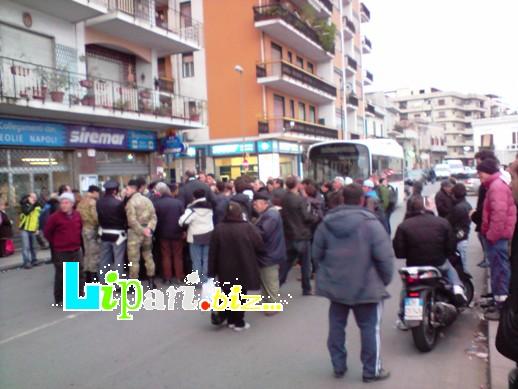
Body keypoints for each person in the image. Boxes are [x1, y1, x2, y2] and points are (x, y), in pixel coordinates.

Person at [312, 184, 394, 382]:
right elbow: (384, 258)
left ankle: (338, 366)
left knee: (336, 326)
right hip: (367, 286)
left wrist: (330, 272)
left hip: (336, 285)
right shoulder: (371, 223)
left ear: (342, 199)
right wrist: (384, 280)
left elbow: (316, 255)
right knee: (369, 328)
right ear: (362, 200)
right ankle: (370, 370)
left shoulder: (327, 222)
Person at [393, 195, 467, 311]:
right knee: (450, 269)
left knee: (407, 287)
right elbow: (450, 247)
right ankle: (457, 288)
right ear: (426, 206)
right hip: (438, 263)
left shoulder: (403, 226)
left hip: (414, 266)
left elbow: (399, 252)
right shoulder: (442, 223)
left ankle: (402, 313)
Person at [208, 201, 264, 331]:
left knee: (227, 293)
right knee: (240, 294)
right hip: (243, 266)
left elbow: (212, 252)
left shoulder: (219, 228)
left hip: (224, 268)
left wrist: (211, 271)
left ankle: (230, 320)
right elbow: (259, 244)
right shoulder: (247, 227)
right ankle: (238, 322)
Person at [477, 158, 517, 320]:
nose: (478, 176)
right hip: (497, 236)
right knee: (498, 269)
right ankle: (498, 300)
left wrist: (492, 236)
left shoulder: (496, 188)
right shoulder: (495, 186)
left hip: (498, 237)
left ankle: (501, 307)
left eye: (480, 173)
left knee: (500, 270)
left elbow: (499, 215)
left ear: (487, 172)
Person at [279, 176, 318, 295]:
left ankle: (276, 285)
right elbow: (306, 217)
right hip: (302, 234)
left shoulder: (284, 198)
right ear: (297, 185)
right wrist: (314, 217)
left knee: (287, 263)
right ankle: (306, 289)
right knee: (305, 264)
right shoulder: (300, 200)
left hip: (289, 234)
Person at [43, 192, 83, 306]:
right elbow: (47, 232)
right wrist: (56, 242)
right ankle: (59, 298)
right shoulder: (55, 217)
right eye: (62, 203)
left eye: (66, 203)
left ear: (72, 204)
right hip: (61, 250)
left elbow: (80, 228)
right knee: (62, 274)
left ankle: (78, 295)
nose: (64, 205)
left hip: (75, 248)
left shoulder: (77, 215)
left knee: (78, 272)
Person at [253, 192, 286, 312]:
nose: (254, 206)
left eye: (256, 203)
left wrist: (251, 229)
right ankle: (268, 302)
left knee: (270, 280)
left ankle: (273, 305)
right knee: (266, 280)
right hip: (270, 252)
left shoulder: (270, 215)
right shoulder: (269, 213)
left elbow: (263, 233)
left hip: (270, 253)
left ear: (264, 203)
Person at [125, 178, 158, 288]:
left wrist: (141, 230)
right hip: (147, 233)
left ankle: (133, 284)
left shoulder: (131, 202)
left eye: (127, 189)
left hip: (135, 234)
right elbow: (153, 217)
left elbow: (131, 220)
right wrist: (149, 229)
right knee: (148, 256)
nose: (126, 191)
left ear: (133, 189)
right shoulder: (147, 200)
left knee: (134, 260)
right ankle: (151, 282)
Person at [179, 188, 214, 283]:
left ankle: (197, 280)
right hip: (209, 234)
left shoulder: (191, 208)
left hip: (195, 235)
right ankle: (206, 279)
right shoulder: (211, 206)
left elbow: (183, 221)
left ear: (194, 197)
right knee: (206, 258)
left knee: (196, 259)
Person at [154, 182, 185, 284]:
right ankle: (179, 277)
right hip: (177, 232)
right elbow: (183, 218)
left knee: (165, 255)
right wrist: (183, 230)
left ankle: (167, 278)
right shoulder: (178, 203)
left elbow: (155, 219)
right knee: (178, 255)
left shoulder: (157, 203)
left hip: (163, 233)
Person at [97, 180, 127, 283]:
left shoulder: (99, 202)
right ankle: (119, 283)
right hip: (118, 234)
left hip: (104, 233)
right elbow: (124, 218)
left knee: (104, 259)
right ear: (115, 191)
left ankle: (102, 281)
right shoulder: (119, 203)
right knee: (118, 260)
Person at [472, 150, 498, 267]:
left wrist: (492, 234)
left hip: (492, 229)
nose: (478, 173)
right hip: (485, 223)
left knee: (498, 265)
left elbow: (498, 212)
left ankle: (488, 260)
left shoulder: (495, 186)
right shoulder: (490, 184)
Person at [77, 185, 100, 283]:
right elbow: (95, 217)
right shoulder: (92, 202)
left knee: (87, 253)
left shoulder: (81, 201)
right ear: (94, 192)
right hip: (91, 229)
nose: (98, 195)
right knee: (94, 253)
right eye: (98, 193)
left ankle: (86, 276)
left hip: (84, 229)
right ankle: (94, 276)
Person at [448, 184, 472, 271]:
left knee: (461, 264)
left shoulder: (458, 208)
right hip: (463, 236)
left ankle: (463, 282)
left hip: (458, 238)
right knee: (462, 261)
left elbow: (450, 222)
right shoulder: (467, 205)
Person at [19, 192, 41, 269]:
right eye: (32, 197)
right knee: (26, 246)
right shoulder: (24, 205)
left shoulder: (38, 207)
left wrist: (37, 228)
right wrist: (33, 205)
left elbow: (38, 219)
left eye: (35, 197)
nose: (34, 198)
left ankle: (34, 260)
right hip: (25, 229)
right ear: (28, 198)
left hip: (33, 229)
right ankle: (26, 262)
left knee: (33, 246)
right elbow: (27, 212)